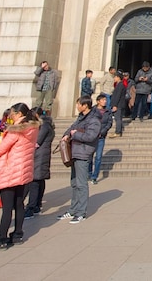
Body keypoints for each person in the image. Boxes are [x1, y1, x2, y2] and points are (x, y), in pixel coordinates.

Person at [0, 103, 39, 249]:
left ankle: (2, 238)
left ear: (19, 114)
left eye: (12, 114)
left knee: (7, 206)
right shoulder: (33, 128)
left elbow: (3, 147)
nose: (10, 117)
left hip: (11, 169)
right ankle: (18, 234)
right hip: (24, 169)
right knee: (19, 203)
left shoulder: (17, 130)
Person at [60, 96, 101, 224]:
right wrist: (66, 135)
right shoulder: (80, 118)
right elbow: (71, 128)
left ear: (85, 105)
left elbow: (90, 136)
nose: (77, 106)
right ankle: (73, 209)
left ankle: (81, 212)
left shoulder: (94, 120)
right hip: (74, 151)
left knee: (81, 184)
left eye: (79, 104)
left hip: (83, 152)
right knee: (74, 183)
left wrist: (75, 134)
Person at [25, 107, 54, 219]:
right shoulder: (46, 124)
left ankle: (31, 207)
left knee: (35, 182)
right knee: (39, 181)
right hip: (41, 155)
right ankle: (37, 205)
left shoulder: (44, 126)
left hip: (40, 156)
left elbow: (37, 142)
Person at [90, 94, 113, 184]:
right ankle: (89, 173)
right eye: (103, 100)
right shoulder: (92, 110)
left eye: (105, 100)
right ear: (98, 101)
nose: (105, 101)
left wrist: (103, 131)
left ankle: (94, 176)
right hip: (92, 136)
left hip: (101, 137)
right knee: (89, 156)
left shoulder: (108, 111)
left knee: (98, 157)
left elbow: (109, 123)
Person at [109, 70, 127, 137]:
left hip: (119, 104)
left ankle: (118, 132)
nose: (114, 78)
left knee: (118, 118)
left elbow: (118, 96)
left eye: (115, 77)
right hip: (120, 104)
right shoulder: (119, 85)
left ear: (118, 77)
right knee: (118, 118)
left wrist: (115, 105)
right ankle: (118, 130)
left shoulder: (120, 85)